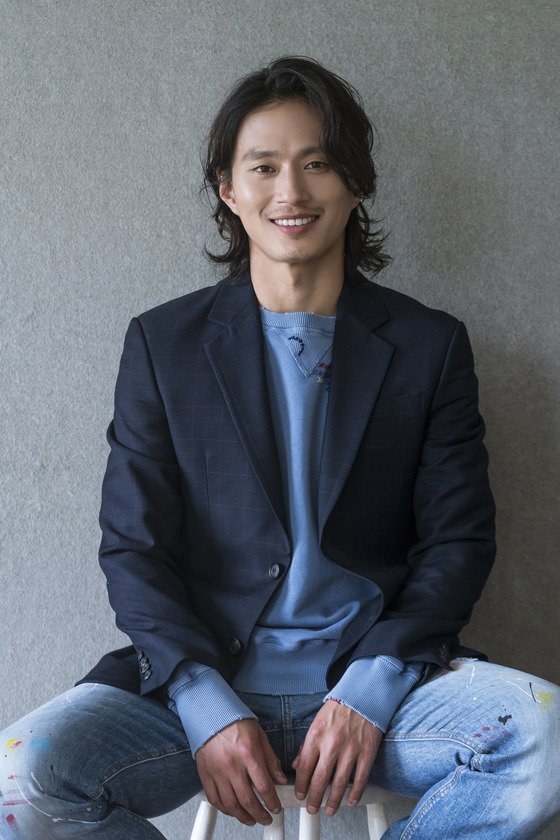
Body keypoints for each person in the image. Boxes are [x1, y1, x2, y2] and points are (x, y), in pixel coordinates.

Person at [1, 55, 559, 840]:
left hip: (383, 692)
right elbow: (133, 548)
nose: (290, 191)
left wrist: (370, 689)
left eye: (317, 163)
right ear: (229, 190)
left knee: (544, 738)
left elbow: (458, 541)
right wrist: (203, 699)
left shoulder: (429, 347)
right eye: (263, 167)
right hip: (200, 692)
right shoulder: (164, 345)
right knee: (21, 780)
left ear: (355, 183)